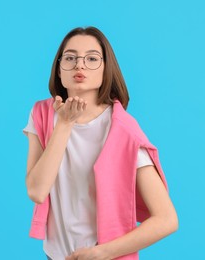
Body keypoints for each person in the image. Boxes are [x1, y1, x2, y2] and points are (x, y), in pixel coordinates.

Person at [23, 26, 178, 260]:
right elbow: (36, 190)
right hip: (54, 254)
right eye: (70, 57)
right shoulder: (42, 114)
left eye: (92, 58)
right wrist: (64, 124)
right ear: (59, 68)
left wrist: (101, 253)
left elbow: (166, 219)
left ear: (106, 69)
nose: (80, 65)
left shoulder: (122, 130)